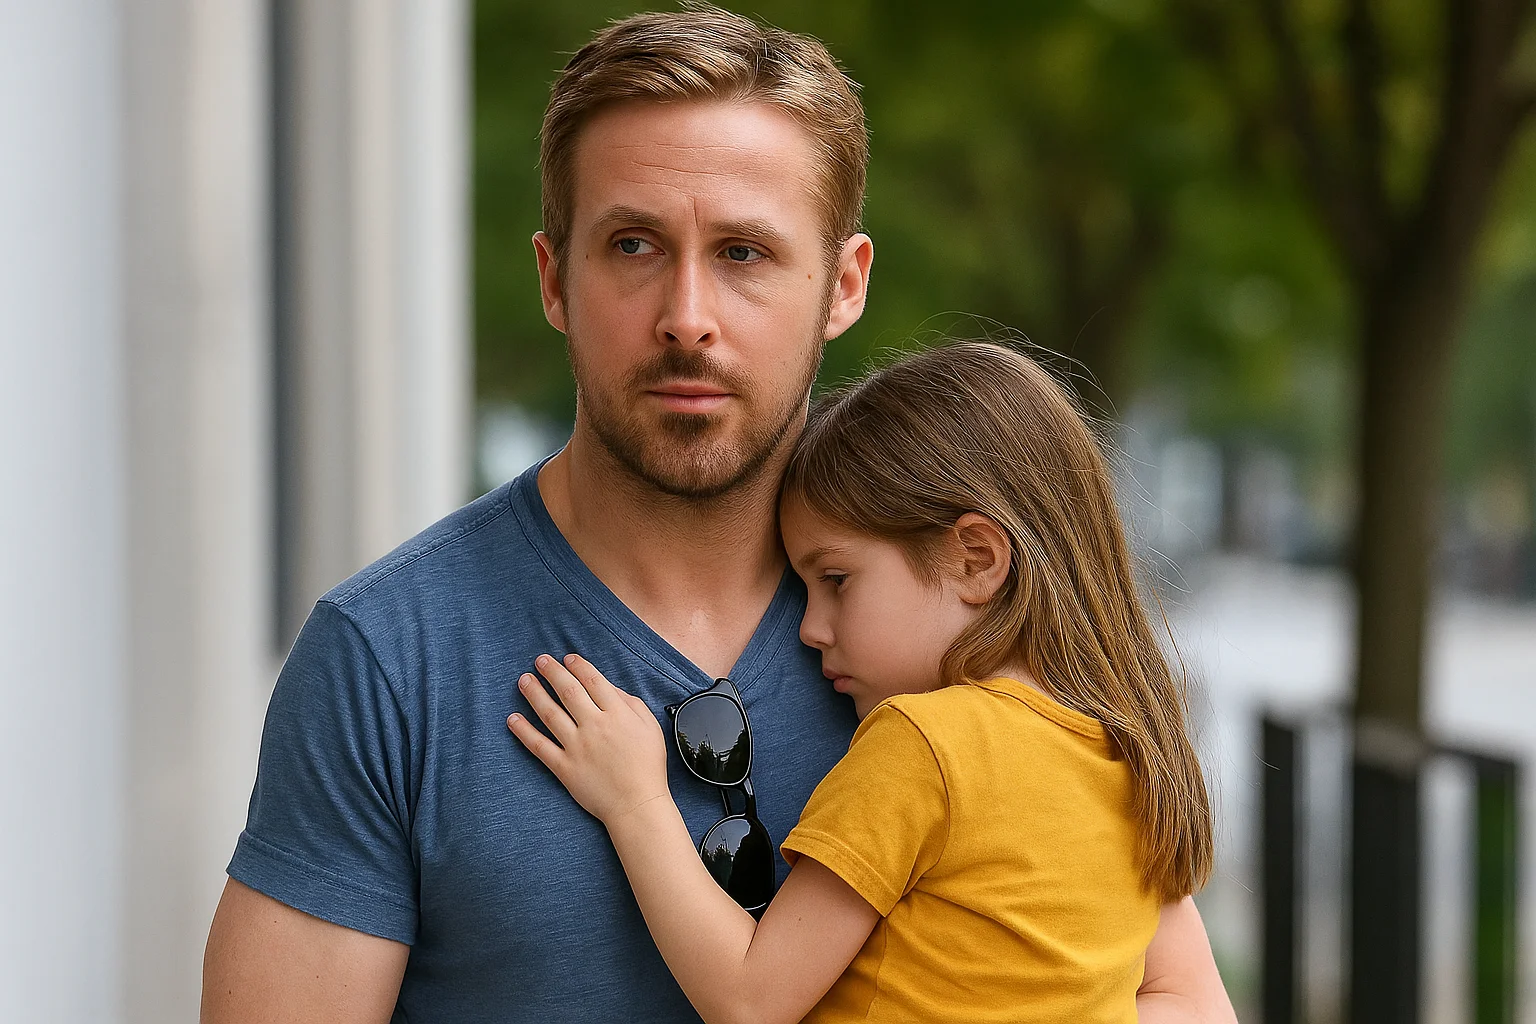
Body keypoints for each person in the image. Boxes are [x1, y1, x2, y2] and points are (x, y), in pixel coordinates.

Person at [201, 7, 1235, 1022]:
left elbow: (1172, 990)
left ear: (844, 285)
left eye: (743, 253)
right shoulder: (389, 656)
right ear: (555, 280)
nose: (687, 317)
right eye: (634, 245)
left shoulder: (949, 624)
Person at [508, 342, 1221, 1024]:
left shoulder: (924, 745)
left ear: (976, 559)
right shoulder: (1126, 756)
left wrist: (634, 801)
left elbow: (751, 999)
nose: (810, 627)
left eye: (837, 579)